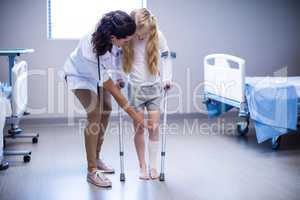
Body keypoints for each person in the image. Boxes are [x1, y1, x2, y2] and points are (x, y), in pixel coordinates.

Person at [63, 10, 144, 188]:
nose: (126, 43)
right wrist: (134, 115)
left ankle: (97, 157)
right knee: (95, 112)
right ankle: (91, 170)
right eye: (125, 40)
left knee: (106, 108)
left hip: (98, 74)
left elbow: (114, 59)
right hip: (79, 75)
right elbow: (112, 89)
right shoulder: (91, 47)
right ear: (114, 37)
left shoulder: (111, 31)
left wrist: (119, 77)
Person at [122, 8, 172, 180]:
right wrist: (119, 78)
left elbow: (166, 57)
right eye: (138, 33)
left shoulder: (156, 33)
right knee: (139, 129)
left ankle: (154, 166)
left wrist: (167, 78)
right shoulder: (127, 37)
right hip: (135, 88)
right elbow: (117, 59)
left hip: (154, 88)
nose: (141, 37)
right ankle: (142, 166)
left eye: (144, 33)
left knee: (154, 128)